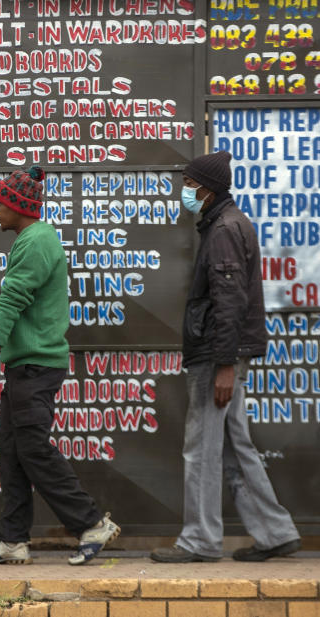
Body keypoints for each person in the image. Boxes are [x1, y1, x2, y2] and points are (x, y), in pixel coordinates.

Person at [0, 165, 119, 566]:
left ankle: (91, 523)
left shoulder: (35, 241)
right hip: (24, 366)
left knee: (33, 449)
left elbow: (14, 301)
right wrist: (0, 302)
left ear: (17, 206)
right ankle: (13, 540)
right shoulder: (33, 239)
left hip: (36, 367)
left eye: (0, 201)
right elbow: (19, 298)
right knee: (12, 453)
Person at [150, 151, 301, 563]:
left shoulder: (223, 230)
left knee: (200, 448)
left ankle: (199, 540)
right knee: (235, 446)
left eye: (188, 184)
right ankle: (275, 531)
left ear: (207, 189)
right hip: (223, 353)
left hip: (216, 356)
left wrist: (224, 365)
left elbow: (229, 302)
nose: (184, 191)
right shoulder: (227, 223)